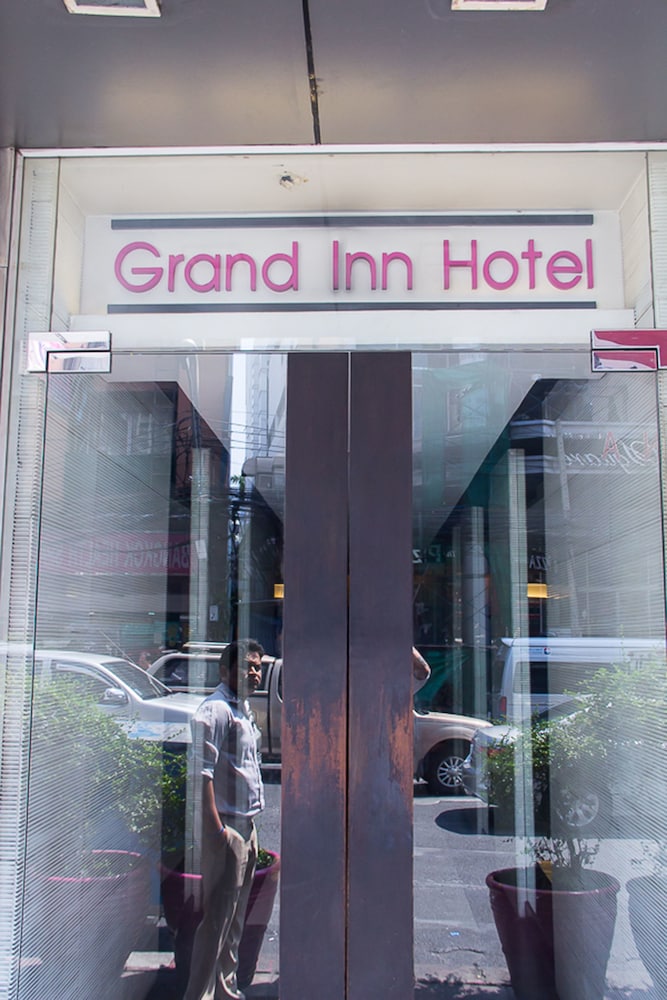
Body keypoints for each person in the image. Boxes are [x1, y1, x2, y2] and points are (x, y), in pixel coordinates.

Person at [183, 639, 265, 1000]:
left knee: (234, 922)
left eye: (258, 666)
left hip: (247, 827)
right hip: (227, 829)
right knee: (216, 923)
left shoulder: (242, 709)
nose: (254, 672)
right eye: (247, 666)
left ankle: (226, 990)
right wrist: (218, 832)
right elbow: (201, 776)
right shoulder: (214, 711)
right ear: (225, 670)